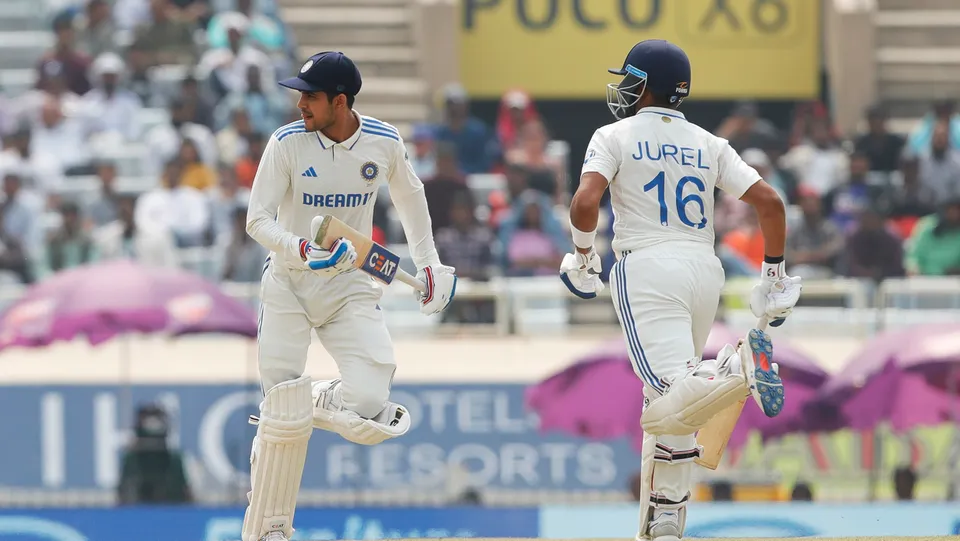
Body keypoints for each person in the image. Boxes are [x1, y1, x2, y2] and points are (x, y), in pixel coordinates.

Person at [559, 40, 802, 541]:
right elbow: (772, 204)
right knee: (678, 398)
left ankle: (734, 373)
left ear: (645, 85)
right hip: (704, 269)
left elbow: (586, 202)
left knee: (664, 401)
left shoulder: (614, 134)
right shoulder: (710, 142)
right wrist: (773, 276)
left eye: (629, 79)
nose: (624, 88)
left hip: (647, 267)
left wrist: (584, 256)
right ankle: (665, 516)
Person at [242, 51, 457, 541]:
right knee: (280, 412)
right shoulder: (287, 143)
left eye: (310, 96)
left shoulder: (382, 142)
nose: (300, 104)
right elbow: (257, 219)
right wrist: (298, 248)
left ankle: (310, 401)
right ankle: (270, 525)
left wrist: (428, 264)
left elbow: (410, 196)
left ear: (340, 101)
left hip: (350, 283)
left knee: (369, 399)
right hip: (290, 283)